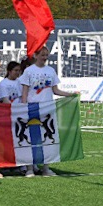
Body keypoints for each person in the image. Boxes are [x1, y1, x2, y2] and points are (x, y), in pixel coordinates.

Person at [20, 45, 74, 177]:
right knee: (31, 139)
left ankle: (46, 168)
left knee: (48, 139)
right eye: (42, 55)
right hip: (33, 108)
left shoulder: (51, 71)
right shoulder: (29, 71)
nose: (44, 57)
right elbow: (25, 92)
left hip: (48, 108)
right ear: (35, 56)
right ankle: (30, 169)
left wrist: (70, 95)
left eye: (46, 55)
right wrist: (23, 107)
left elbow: (55, 90)